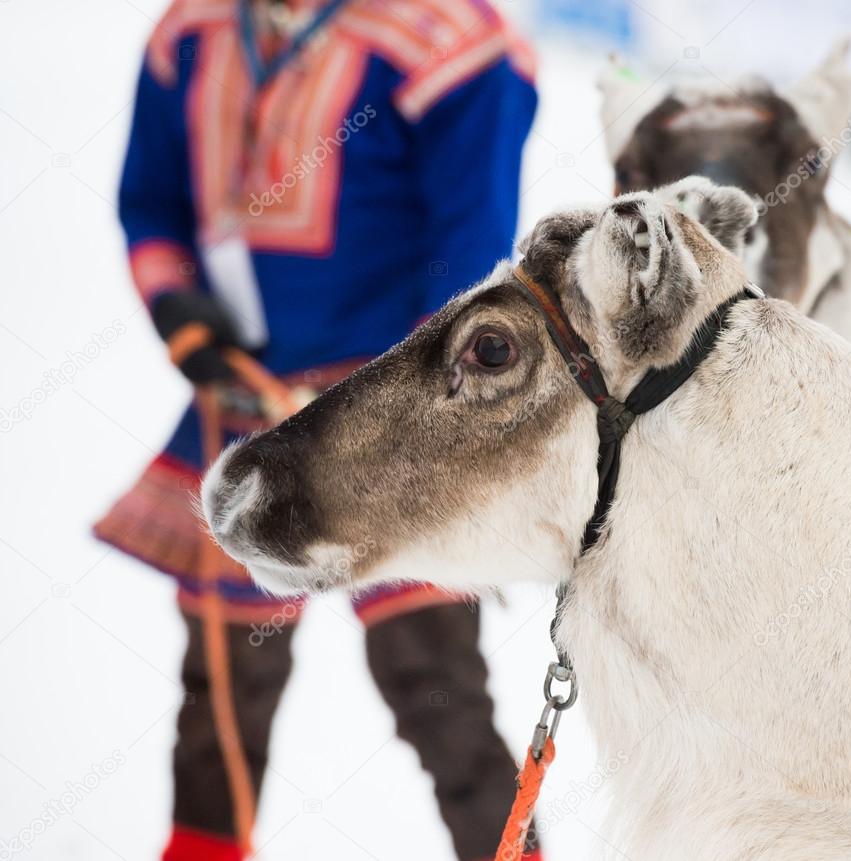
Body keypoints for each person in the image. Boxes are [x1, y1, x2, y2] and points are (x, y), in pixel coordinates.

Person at [93, 1, 539, 858]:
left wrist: (414, 418)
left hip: (392, 434)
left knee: (436, 686)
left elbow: (469, 261)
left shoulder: (450, 45)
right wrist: (184, 318)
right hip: (240, 409)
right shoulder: (190, 33)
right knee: (222, 693)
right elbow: (150, 201)